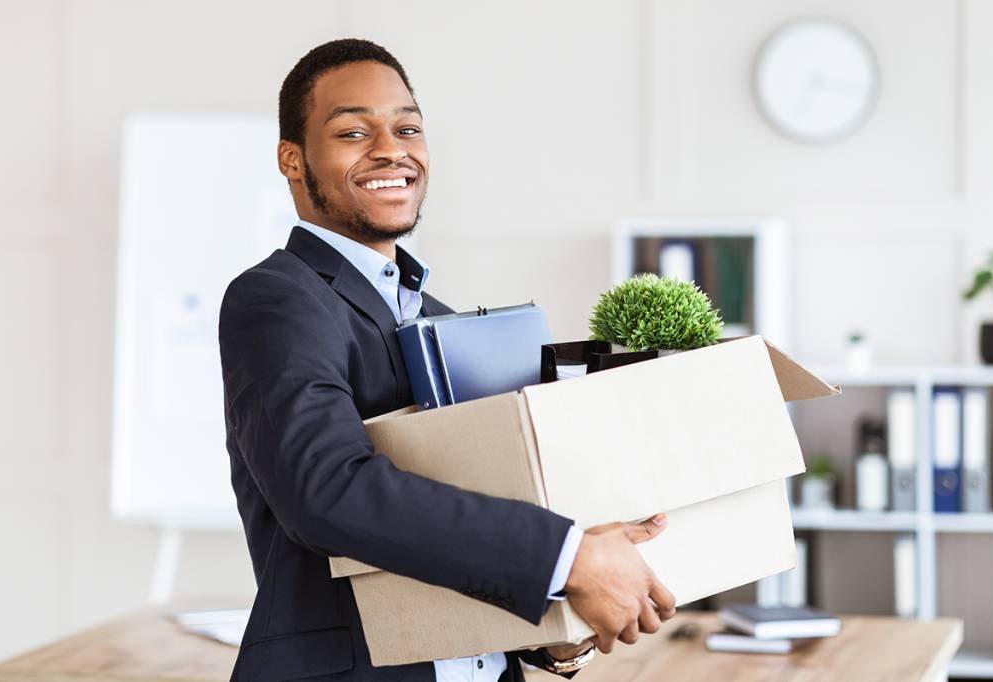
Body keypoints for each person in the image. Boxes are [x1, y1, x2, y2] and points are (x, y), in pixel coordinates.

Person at [218, 38, 676, 682]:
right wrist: (568, 559)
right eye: (354, 131)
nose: (390, 149)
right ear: (292, 160)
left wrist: (551, 632)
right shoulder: (278, 297)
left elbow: (458, 522)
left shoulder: (438, 314)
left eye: (407, 127)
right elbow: (324, 491)